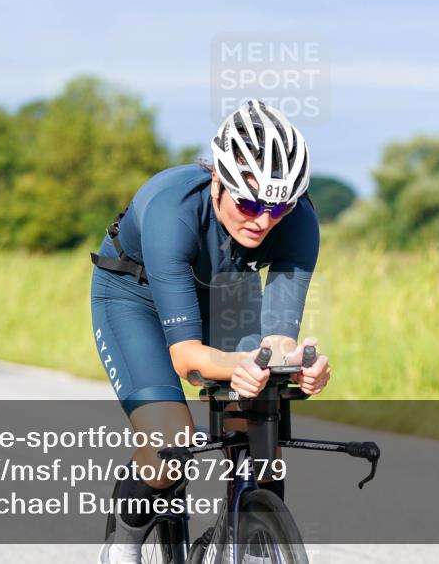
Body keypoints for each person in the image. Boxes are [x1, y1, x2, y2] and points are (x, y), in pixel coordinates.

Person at [91, 100, 331, 563]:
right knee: (171, 439)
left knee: (262, 415)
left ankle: (250, 533)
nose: (263, 220)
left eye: (279, 206)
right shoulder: (172, 211)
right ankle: (123, 544)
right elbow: (187, 358)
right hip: (133, 295)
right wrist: (242, 365)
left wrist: (300, 366)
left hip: (227, 290)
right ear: (218, 181)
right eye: (249, 202)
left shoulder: (299, 223)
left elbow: (277, 341)